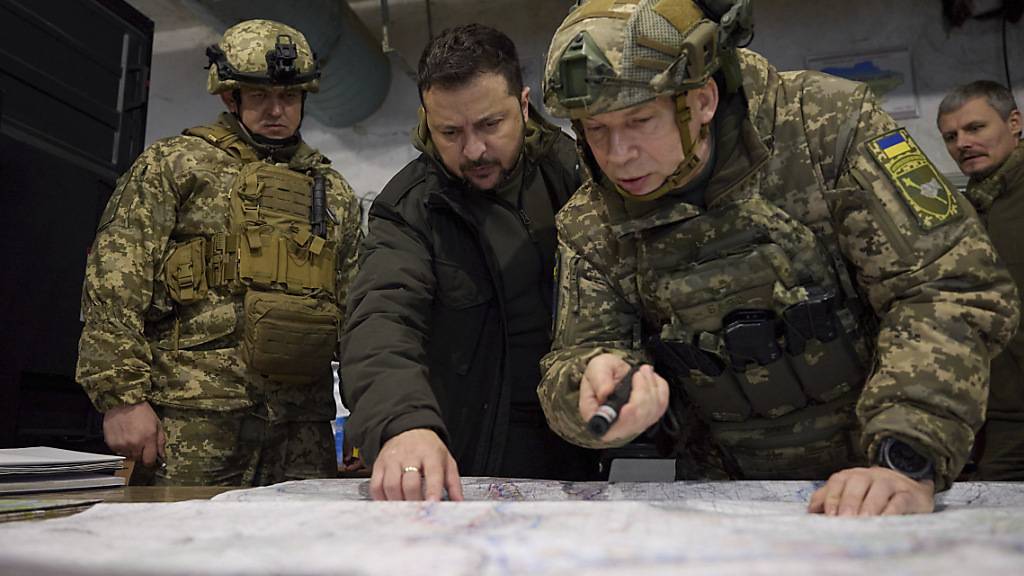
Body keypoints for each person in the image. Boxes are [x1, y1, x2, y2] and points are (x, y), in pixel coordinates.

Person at [538, 0, 1019, 516]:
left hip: (885, 475)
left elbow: (946, 285)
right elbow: (572, 361)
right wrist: (588, 385)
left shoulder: (826, 127)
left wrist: (905, 455)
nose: (617, 154)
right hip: (731, 503)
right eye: (594, 128)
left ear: (701, 100)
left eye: (639, 120)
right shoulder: (591, 220)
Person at [76, 19, 362, 486]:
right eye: (259, 97)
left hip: (302, 426)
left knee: (296, 555)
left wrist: (369, 413)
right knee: (175, 554)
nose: (276, 110)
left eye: (289, 97)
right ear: (230, 97)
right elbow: (115, 278)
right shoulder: (176, 163)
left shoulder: (332, 191)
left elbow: (358, 311)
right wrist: (121, 397)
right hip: (194, 414)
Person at [340, 23, 598, 501]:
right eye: (450, 132)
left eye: (490, 125)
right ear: (427, 121)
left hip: (589, 444)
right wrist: (403, 423)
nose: (474, 150)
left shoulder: (579, 173)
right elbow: (381, 320)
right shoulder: (411, 208)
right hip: (474, 454)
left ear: (523, 105)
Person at [938, 80, 1024, 480]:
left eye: (975, 128)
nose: (963, 144)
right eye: (951, 137)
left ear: (1014, 123)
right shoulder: (962, 208)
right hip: (996, 416)